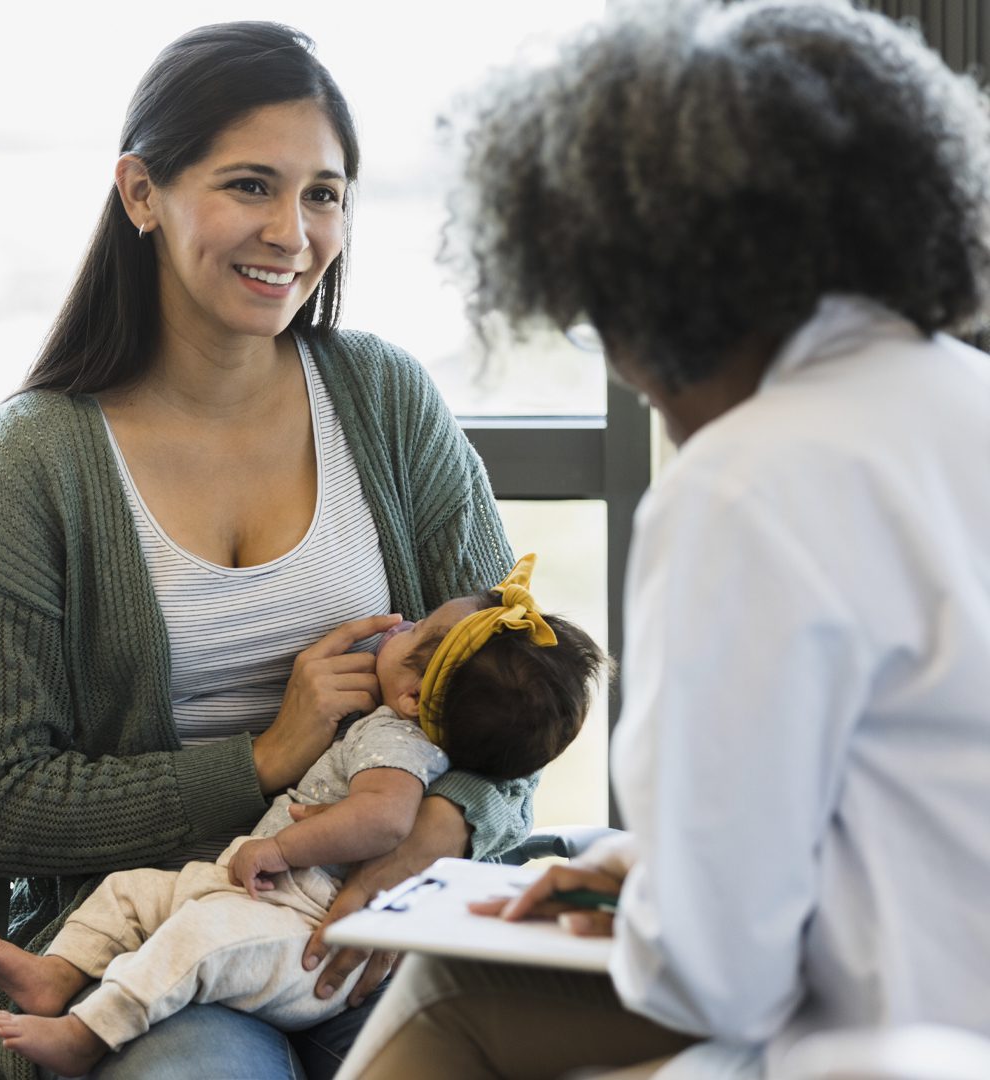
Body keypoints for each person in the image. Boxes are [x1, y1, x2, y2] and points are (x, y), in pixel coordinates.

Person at [335, 1, 990, 1078]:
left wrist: (660, 909)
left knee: (451, 991)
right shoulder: (960, 399)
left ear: (658, 288)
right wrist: (645, 874)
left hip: (895, 1043)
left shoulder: (749, 483)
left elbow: (717, 975)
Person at [0, 21, 538, 1080]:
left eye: (324, 193)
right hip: (133, 961)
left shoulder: (388, 402)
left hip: (379, 924)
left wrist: (435, 836)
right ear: (140, 194)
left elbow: (515, 674)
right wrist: (265, 758)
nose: (291, 232)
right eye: (251, 185)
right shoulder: (33, 464)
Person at [0, 555, 607, 1078]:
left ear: (415, 696)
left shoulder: (397, 743)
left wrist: (426, 831)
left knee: (194, 946)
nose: (404, 623)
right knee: (127, 894)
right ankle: (59, 974)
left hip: (300, 933)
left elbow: (394, 817)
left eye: (415, 634)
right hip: (245, 898)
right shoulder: (406, 728)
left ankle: (89, 1032)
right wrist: (263, 758)